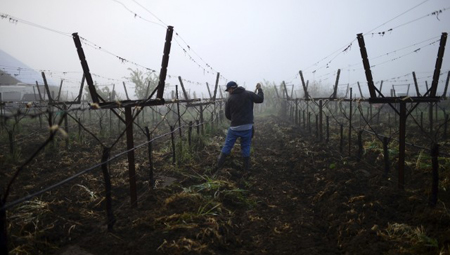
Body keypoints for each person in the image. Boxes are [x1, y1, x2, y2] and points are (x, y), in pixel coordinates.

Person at [217, 81, 264, 171]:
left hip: (235, 127)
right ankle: (246, 168)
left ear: (232, 88)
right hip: (247, 127)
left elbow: (227, 115)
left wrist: (235, 120)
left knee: (228, 145)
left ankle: (219, 164)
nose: (228, 92)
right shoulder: (249, 94)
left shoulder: (230, 99)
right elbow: (260, 99)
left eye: (229, 90)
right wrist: (260, 89)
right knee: (246, 146)